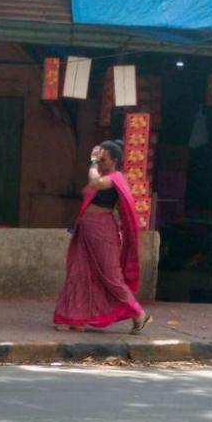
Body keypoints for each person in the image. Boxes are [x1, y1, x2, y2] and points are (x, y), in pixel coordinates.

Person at [53, 140, 150, 333]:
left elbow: (94, 183)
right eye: (98, 159)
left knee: (110, 275)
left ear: (114, 160)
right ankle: (75, 317)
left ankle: (139, 314)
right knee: (79, 271)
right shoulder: (105, 174)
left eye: (102, 159)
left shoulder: (116, 177)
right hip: (86, 228)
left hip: (102, 229)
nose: (99, 162)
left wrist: (92, 162)